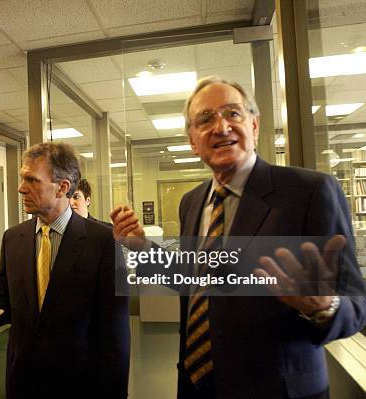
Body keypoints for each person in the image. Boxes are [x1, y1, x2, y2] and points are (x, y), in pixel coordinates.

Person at [111, 76, 366, 399]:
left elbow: (358, 304)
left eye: (233, 113)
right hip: (196, 385)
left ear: (255, 126)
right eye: (205, 119)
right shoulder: (192, 202)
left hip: (276, 390)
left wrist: (323, 306)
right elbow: (195, 279)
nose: (221, 126)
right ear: (192, 140)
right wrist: (143, 249)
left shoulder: (310, 192)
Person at [0, 142, 130, 399]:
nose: (20, 188)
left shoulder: (104, 241)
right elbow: (7, 304)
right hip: (23, 381)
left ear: (62, 187)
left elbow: (115, 333)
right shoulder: (13, 239)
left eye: (31, 180)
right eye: (21, 179)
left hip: (80, 384)